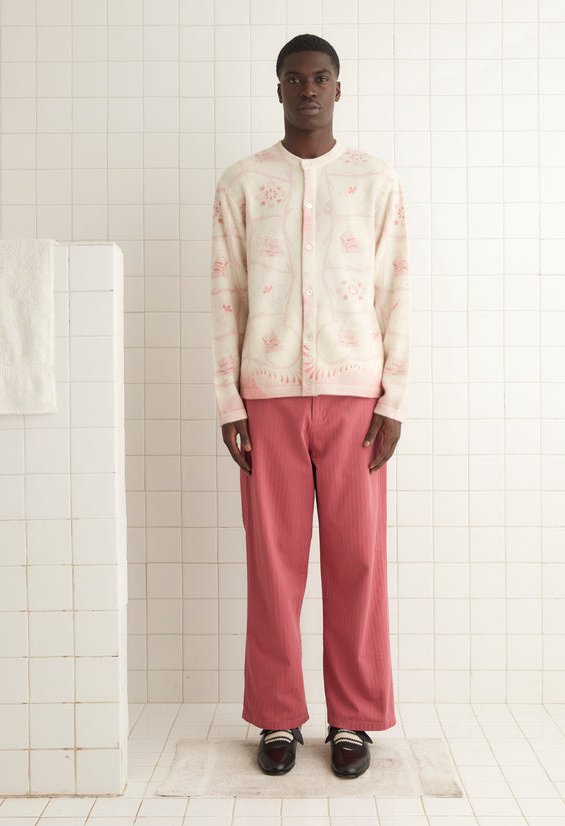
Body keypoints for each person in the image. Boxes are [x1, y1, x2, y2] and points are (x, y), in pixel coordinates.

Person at [210, 33, 409, 779]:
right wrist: (228, 399)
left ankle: (353, 721)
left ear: (337, 86)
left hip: (357, 400)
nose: (307, 89)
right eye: (294, 78)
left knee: (357, 562)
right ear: (279, 87)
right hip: (267, 401)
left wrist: (396, 397)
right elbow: (224, 296)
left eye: (319, 77)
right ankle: (277, 718)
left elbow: (399, 291)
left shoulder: (375, 182)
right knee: (274, 565)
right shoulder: (242, 182)